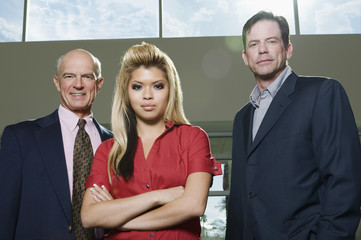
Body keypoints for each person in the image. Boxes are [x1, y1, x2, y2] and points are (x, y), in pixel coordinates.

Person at [226, 10, 361, 240]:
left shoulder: (322, 93)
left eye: (271, 41)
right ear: (245, 57)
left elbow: (344, 184)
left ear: (288, 49)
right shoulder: (242, 118)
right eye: (254, 44)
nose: (262, 50)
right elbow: (240, 198)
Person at [80, 42, 222, 239]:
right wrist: (158, 197)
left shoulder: (194, 138)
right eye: (137, 87)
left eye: (158, 86)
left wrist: (119, 219)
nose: (147, 95)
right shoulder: (107, 150)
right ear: (126, 93)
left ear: (170, 90)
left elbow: (193, 205)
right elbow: (89, 216)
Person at [0, 49, 113, 240]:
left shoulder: (117, 145)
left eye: (87, 76)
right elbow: (4, 213)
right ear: (57, 82)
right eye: (69, 76)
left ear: (99, 84)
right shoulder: (21, 138)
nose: (78, 84)